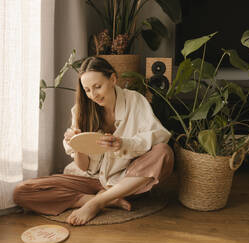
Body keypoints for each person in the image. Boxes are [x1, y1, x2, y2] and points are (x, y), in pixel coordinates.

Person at [13, 56, 174, 226]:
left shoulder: (134, 100)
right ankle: (102, 199)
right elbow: (83, 167)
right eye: (87, 90)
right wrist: (77, 146)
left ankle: (98, 202)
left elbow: (160, 135)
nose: (93, 95)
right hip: (90, 180)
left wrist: (123, 144)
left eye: (98, 87)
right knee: (22, 192)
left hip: (124, 180)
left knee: (164, 152)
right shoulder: (80, 110)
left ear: (112, 79)